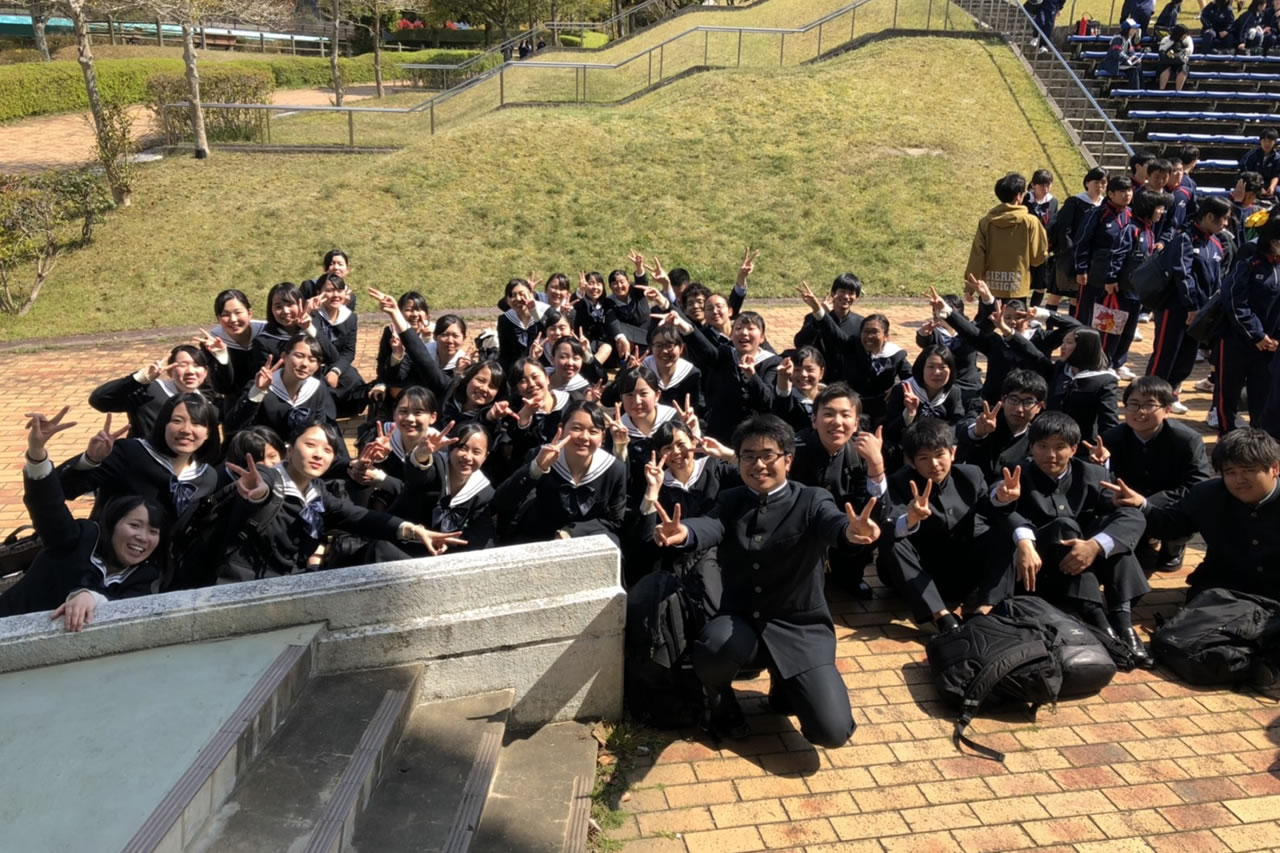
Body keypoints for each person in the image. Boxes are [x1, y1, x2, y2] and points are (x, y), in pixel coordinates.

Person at [651, 413, 874, 747]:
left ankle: (784, 687)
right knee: (712, 651)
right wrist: (684, 532)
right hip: (743, 620)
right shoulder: (731, 500)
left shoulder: (811, 500)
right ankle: (719, 699)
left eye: (767, 455)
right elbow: (711, 526)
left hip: (800, 627)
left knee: (832, 730)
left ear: (788, 459)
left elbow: (834, 524)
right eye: (748, 457)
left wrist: (852, 533)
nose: (758, 465)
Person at [992, 411, 1152, 665]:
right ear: (1031, 447)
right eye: (1042, 446)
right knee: (1065, 526)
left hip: (1087, 562)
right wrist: (1004, 500)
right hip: (1044, 566)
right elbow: (998, 504)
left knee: (1116, 536)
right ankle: (1098, 620)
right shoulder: (1015, 471)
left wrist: (1095, 545)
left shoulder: (1093, 474)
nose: (1050, 455)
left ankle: (1123, 623)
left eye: (1059, 447)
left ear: (1074, 448)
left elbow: (1130, 517)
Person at [218, 420, 461, 581]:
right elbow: (262, 486)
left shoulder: (317, 492)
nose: (318, 454)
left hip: (282, 586)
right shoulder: (271, 477)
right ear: (289, 451)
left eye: (327, 450)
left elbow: (360, 518)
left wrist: (415, 531)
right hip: (239, 584)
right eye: (310, 445)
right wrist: (258, 493)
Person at [0, 408, 170, 632]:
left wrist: (91, 597)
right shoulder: (79, 539)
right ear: (113, 524)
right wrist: (37, 452)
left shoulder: (145, 575)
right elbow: (47, 506)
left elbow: (126, 607)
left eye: (153, 531)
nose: (142, 537)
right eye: (134, 525)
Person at [877, 418, 1015, 632]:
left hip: (963, 569)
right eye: (924, 458)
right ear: (912, 461)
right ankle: (940, 616)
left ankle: (985, 611)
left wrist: (1002, 498)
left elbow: (990, 508)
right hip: (919, 573)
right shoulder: (899, 482)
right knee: (890, 537)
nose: (934, 464)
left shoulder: (971, 475)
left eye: (940, 455)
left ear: (952, 453)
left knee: (1007, 533)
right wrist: (911, 517)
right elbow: (892, 521)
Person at [1092, 376, 1212, 572]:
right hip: (1126, 505)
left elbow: (1196, 485)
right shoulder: (1111, 438)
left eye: (1149, 405)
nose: (1140, 412)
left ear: (1167, 410)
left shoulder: (1187, 439)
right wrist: (1100, 465)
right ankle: (1141, 538)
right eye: (1133, 404)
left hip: (1169, 506)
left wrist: (1146, 503)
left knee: (1191, 510)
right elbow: (1103, 482)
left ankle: (1173, 546)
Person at [789, 384, 887, 599]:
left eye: (845, 415)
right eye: (828, 414)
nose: (837, 422)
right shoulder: (795, 450)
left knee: (875, 519)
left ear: (856, 423)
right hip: (803, 530)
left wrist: (876, 464)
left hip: (844, 531)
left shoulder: (862, 451)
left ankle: (850, 576)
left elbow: (876, 506)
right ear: (814, 420)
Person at [635, 419, 738, 611]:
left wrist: (727, 454)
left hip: (723, 556)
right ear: (659, 453)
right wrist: (652, 491)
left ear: (693, 442)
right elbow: (646, 541)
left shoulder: (715, 468)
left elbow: (755, 478)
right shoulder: (660, 484)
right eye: (667, 448)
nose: (675, 452)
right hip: (680, 565)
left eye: (681, 444)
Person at [491, 401, 628, 545]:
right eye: (576, 428)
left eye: (593, 431)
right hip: (537, 539)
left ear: (603, 437)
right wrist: (536, 468)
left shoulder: (614, 469)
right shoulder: (541, 455)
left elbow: (615, 521)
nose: (584, 437)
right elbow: (502, 501)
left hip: (586, 542)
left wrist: (571, 533)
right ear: (561, 429)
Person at [1146, 196, 1231, 413]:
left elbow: (1217, 278)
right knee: (1166, 353)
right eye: (1224, 219)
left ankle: (1171, 393)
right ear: (1210, 216)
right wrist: (1191, 305)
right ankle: (1149, 395)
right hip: (1177, 308)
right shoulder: (1184, 239)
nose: (1226, 224)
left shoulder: (1216, 243)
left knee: (1186, 357)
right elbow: (1182, 275)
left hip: (1201, 312)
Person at [378, 422, 497, 559]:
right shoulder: (435, 464)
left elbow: (479, 536)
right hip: (401, 544)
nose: (468, 457)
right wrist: (421, 455)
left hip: (441, 557)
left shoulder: (484, 492)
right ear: (451, 447)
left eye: (476, 452)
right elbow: (418, 474)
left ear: (485, 456)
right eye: (462, 448)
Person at [226, 334, 344, 459]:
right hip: (262, 457)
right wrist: (258, 392)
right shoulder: (262, 385)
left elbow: (318, 427)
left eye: (312, 359)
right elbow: (233, 426)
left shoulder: (317, 389)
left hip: (300, 457)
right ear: (284, 357)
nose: (305, 363)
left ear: (317, 366)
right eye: (299, 356)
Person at [1222, 216, 1280, 434]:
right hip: (1237, 338)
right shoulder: (1250, 259)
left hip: (1269, 343)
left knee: (1263, 392)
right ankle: (1225, 434)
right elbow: (1235, 301)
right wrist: (1256, 334)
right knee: (1229, 390)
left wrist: (1275, 338)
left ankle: (1258, 436)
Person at [89, 344, 214, 439]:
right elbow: (99, 400)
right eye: (182, 365)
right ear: (170, 371)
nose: (190, 371)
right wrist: (139, 379)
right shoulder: (150, 391)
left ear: (206, 371)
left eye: (197, 365)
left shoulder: (207, 402)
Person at [964, 172, 1050, 302]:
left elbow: (977, 256)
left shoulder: (986, 222)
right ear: (1018, 196)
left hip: (989, 289)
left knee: (989, 320)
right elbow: (1038, 256)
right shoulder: (1030, 222)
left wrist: (969, 286)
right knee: (1014, 321)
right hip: (1017, 288)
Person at [957, 368, 1048, 481]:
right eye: (1013, 399)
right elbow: (961, 430)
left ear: (1039, 406)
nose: (1019, 409)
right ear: (1003, 400)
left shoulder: (1037, 439)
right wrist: (977, 432)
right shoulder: (985, 417)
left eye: (1028, 402)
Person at [1073, 175, 1135, 329]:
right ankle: (1080, 347)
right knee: (1086, 315)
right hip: (1095, 275)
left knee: (1111, 320)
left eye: (1129, 190)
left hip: (1119, 277)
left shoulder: (1132, 215)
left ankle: (1104, 350)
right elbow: (1081, 242)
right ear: (1111, 194)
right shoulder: (1098, 214)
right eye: (1121, 191)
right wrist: (1081, 269)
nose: (1127, 194)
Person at [882, 345, 966, 453]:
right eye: (931, 367)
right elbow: (890, 432)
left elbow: (957, 423)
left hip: (939, 448)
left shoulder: (953, 392)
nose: (937, 372)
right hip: (908, 450)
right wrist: (909, 413)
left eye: (943, 367)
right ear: (921, 369)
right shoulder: (903, 390)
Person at [1049, 167, 1108, 313]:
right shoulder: (1075, 202)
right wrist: (1071, 254)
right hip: (1069, 255)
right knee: (1056, 294)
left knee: (1077, 296)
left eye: (1103, 182)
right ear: (1087, 182)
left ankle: (1071, 328)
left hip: (1090, 258)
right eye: (1096, 182)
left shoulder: (1105, 206)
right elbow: (1064, 230)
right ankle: (1049, 328)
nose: (1100, 186)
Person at [793, 273, 864, 382]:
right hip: (818, 380)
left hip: (846, 382)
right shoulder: (814, 318)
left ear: (857, 297)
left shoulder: (861, 323)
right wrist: (820, 314)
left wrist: (821, 313)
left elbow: (847, 347)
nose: (846, 296)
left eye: (851, 293)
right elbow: (799, 342)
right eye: (842, 291)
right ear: (833, 293)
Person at [915, 292, 983, 405]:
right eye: (934, 310)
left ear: (956, 312)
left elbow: (984, 322)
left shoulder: (969, 330)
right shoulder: (934, 332)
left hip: (968, 386)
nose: (936, 313)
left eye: (940, 309)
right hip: (940, 388)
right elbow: (923, 342)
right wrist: (923, 333)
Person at [203, 289, 265, 396]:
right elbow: (222, 388)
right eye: (225, 314)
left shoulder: (267, 333)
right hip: (236, 401)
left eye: (238, 312)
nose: (233, 319)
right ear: (218, 318)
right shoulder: (212, 342)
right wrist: (222, 356)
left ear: (249, 313)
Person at [497, 277, 550, 370]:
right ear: (507, 300)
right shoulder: (504, 320)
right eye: (512, 295)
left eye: (522, 294)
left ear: (531, 294)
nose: (517, 298)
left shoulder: (543, 313)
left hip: (543, 368)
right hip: (516, 371)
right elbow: (505, 354)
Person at [772, 346, 826, 433]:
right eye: (797, 370)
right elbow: (782, 404)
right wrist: (783, 377)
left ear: (821, 373)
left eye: (810, 369)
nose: (803, 374)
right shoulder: (789, 400)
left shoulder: (832, 398)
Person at [1025, 170, 1059, 308]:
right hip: (1025, 248)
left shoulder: (1053, 202)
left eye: (1048, 185)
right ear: (1033, 185)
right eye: (1041, 186)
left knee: (1041, 285)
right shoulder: (1024, 199)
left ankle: (1032, 314)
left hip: (1043, 249)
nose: (1045, 189)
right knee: (1023, 283)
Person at [1101, 20, 1145, 88]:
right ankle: (1135, 93)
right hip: (1114, 64)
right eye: (1133, 28)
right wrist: (1128, 58)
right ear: (1128, 29)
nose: (1135, 30)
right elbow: (1116, 54)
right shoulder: (1118, 39)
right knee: (1134, 69)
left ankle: (1138, 92)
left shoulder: (1128, 39)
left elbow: (1131, 52)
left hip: (1122, 63)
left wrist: (1135, 58)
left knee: (1137, 66)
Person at [1239, 128, 1280, 198]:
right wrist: (1259, 187)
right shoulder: (1251, 155)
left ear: (1274, 142)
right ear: (1260, 141)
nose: (1266, 144)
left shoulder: (1277, 157)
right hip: (1252, 183)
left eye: (1270, 141)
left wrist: (1272, 187)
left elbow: (1276, 175)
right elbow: (1246, 173)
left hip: (1268, 183)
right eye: (1264, 141)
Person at [1156, 23, 1194, 90]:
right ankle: (1161, 89)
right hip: (1168, 60)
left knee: (1183, 69)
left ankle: (1178, 91)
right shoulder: (1167, 39)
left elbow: (1190, 50)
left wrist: (1182, 51)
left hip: (1180, 60)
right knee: (1165, 68)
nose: (1185, 36)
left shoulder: (1187, 39)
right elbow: (1161, 50)